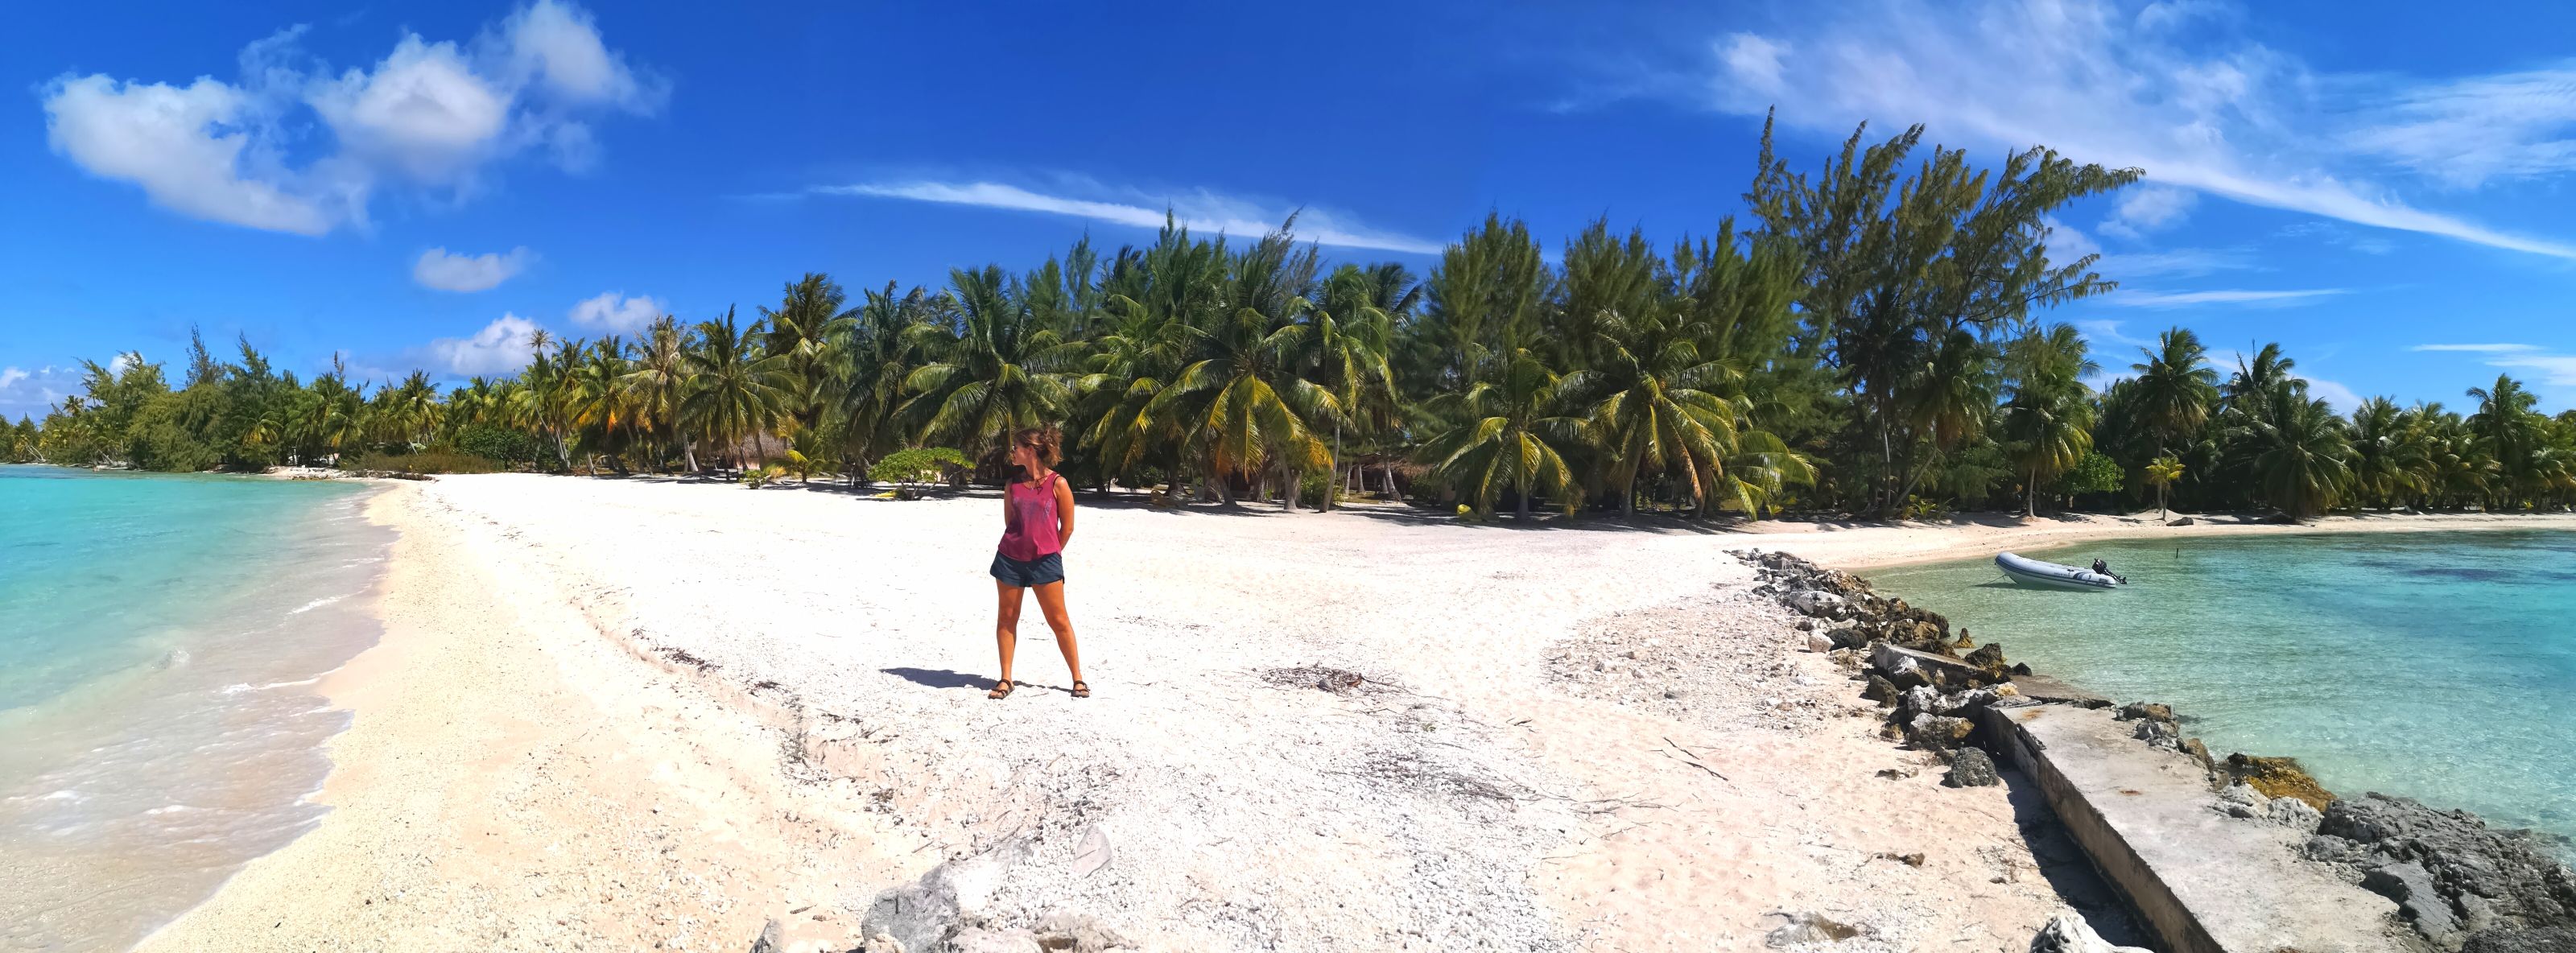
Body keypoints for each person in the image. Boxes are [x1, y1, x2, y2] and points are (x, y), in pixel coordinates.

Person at [988, 427, 1086, 700]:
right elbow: (1010, 523)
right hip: (1009, 559)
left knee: (1058, 620)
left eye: (1015, 448)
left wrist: (1050, 551)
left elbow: (1067, 528)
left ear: (1029, 451)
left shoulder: (1058, 484)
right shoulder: (1012, 485)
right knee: (1007, 618)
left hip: (1046, 562)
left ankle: (1078, 678)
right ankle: (1006, 678)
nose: (1012, 453)